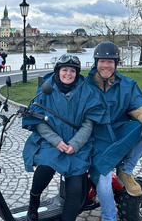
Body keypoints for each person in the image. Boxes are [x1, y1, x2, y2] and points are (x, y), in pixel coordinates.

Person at [22, 54, 104, 221]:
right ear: (58, 71)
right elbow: (39, 121)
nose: (68, 74)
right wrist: (56, 141)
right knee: (44, 168)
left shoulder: (87, 90)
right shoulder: (46, 87)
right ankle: (33, 202)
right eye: (64, 70)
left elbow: (88, 123)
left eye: (72, 71)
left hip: (78, 146)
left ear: (77, 73)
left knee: (75, 191)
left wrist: (75, 144)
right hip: (52, 142)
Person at [86, 41, 142, 221]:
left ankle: (125, 171)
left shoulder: (127, 84)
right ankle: (110, 218)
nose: (106, 65)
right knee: (103, 181)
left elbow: (138, 104)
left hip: (116, 132)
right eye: (102, 61)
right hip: (94, 139)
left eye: (110, 62)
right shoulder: (84, 85)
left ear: (116, 63)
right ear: (96, 62)